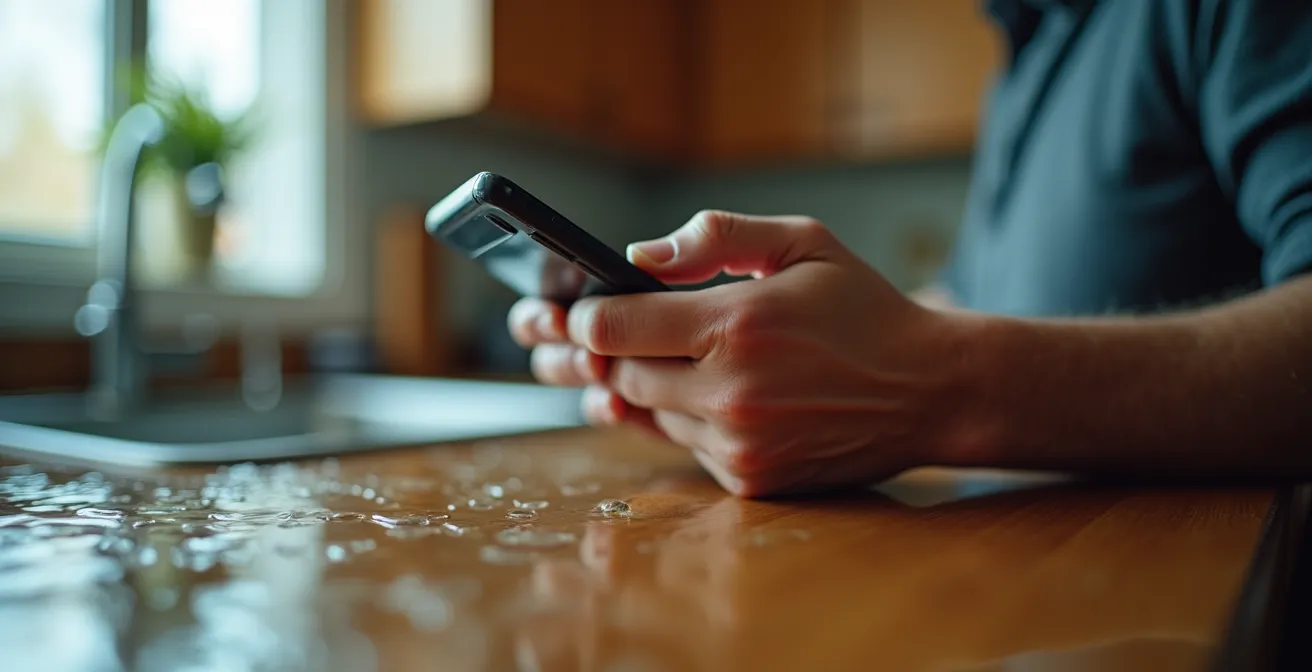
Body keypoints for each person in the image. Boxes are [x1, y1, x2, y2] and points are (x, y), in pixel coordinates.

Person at [507, 0, 1312, 497]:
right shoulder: (1025, 54)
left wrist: (936, 388)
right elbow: (970, 304)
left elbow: (939, 360)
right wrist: (724, 359)